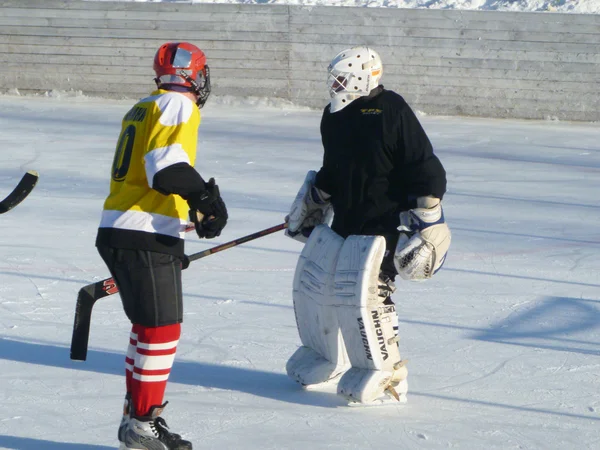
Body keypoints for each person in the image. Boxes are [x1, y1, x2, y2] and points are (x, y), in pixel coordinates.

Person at [285, 46, 450, 404]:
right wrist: (313, 201)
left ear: (364, 77)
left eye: (342, 78)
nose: (336, 85)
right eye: (334, 79)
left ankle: (386, 372)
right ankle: (324, 356)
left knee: (364, 291)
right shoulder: (333, 116)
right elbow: (335, 168)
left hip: (385, 223)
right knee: (319, 284)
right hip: (347, 218)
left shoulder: (391, 109)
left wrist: (428, 220)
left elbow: (425, 166)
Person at [95, 42, 228, 449]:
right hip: (141, 232)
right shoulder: (177, 105)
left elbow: (148, 172)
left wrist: (180, 218)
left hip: (124, 226)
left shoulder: (144, 105)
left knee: (145, 330)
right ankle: (141, 424)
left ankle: (135, 420)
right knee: (161, 330)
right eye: (202, 73)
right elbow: (165, 167)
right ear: (193, 75)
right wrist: (205, 199)